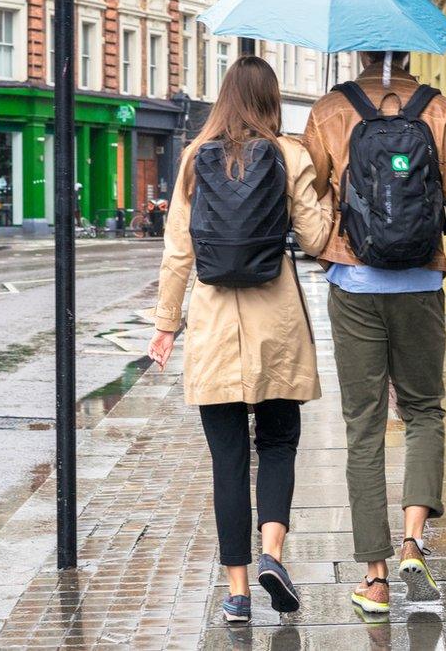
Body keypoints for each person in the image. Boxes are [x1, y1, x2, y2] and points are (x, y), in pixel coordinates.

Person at [302, 51, 446, 613]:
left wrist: (326, 250)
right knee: (424, 411)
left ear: (361, 54)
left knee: (363, 426)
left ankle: (376, 579)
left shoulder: (332, 110)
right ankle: (413, 542)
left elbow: (308, 195)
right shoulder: (440, 110)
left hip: (355, 284)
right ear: (408, 55)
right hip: (420, 283)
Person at [148, 56, 332, 624]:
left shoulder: (190, 160)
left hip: (213, 327)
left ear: (224, 97)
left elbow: (178, 252)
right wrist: (324, 189)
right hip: (275, 321)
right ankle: (272, 553)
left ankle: (238, 593)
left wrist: (164, 326)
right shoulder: (290, 154)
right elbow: (317, 236)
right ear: (271, 100)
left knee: (227, 460)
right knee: (278, 443)